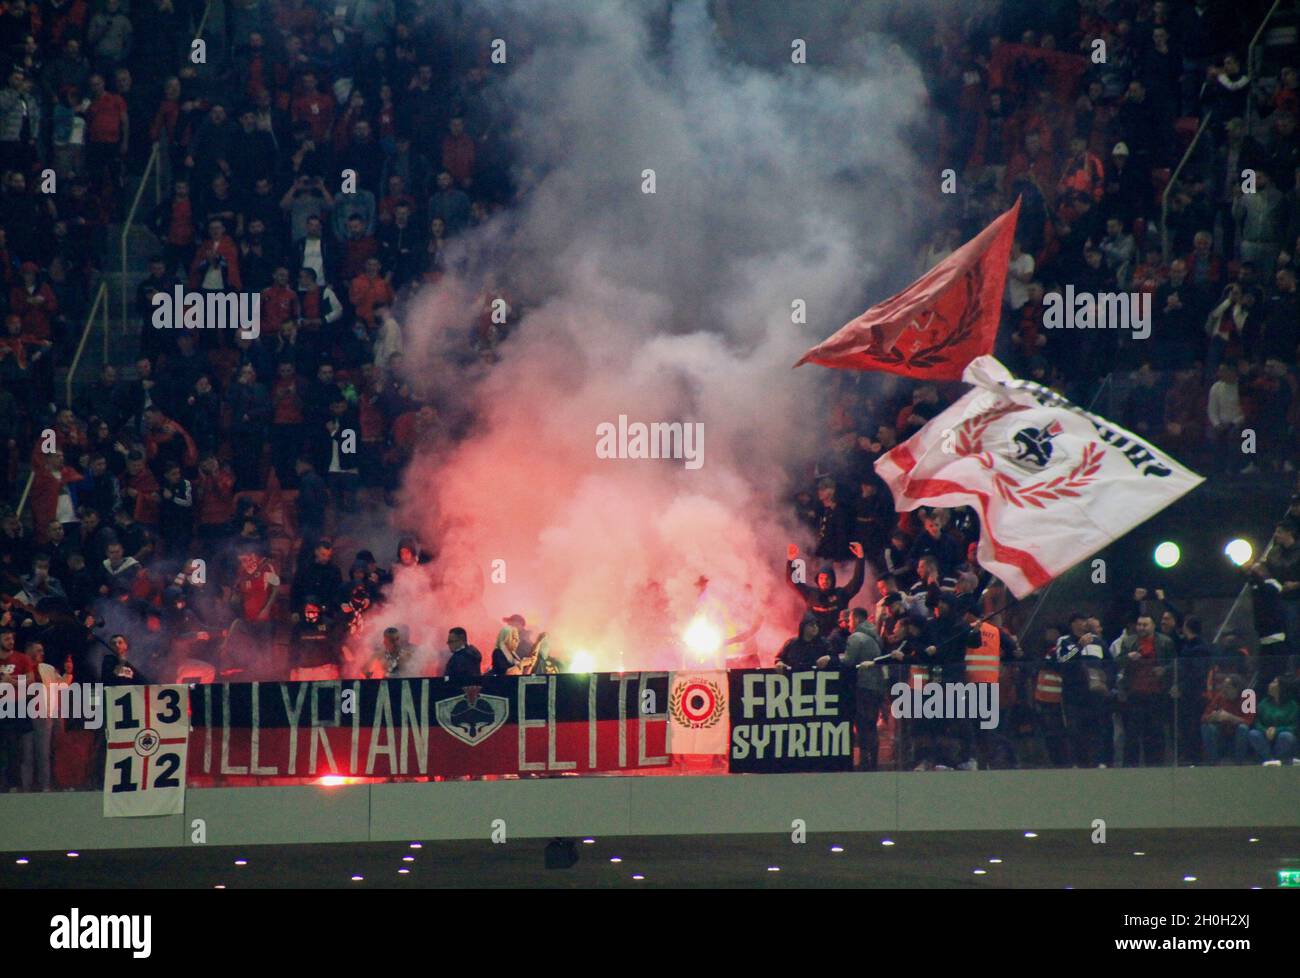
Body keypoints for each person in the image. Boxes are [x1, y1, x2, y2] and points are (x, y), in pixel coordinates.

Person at [827, 606, 892, 771]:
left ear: (855, 619)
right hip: (876, 686)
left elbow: (848, 661)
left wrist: (831, 658)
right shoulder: (874, 636)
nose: (848, 623)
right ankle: (873, 761)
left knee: (863, 725)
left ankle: (865, 762)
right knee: (871, 724)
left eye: (849, 620)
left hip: (863, 686)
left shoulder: (856, 637)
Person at [785, 541, 866, 634]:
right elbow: (792, 582)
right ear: (817, 580)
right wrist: (791, 560)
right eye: (822, 578)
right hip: (815, 640)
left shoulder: (841, 594)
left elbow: (857, 581)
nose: (824, 581)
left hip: (836, 641)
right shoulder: (810, 594)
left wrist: (860, 558)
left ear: (833, 581)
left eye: (828, 578)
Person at [1201, 674, 1252, 765]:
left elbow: (1249, 721)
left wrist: (1230, 717)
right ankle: (1214, 762)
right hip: (1222, 736)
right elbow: (1204, 717)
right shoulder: (1220, 696)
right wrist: (1213, 717)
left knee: (1243, 728)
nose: (1223, 690)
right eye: (1223, 687)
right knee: (1206, 727)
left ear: (1237, 689)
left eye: (1227, 687)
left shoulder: (1248, 697)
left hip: (1239, 737)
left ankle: (1239, 763)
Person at [1246, 677, 1297, 764]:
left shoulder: (1292, 705)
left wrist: (1277, 730)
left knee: (1286, 736)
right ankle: (1269, 759)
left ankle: (1279, 759)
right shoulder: (1264, 703)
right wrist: (1265, 730)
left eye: (1274, 682)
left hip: (1282, 736)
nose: (1270, 684)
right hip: (1265, 735)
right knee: (1253, 734)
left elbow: (1294, 726)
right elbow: (1257, 721)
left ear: (1281, 687)